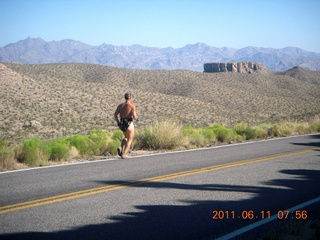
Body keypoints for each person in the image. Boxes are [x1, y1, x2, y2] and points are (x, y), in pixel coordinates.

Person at [114, 93, 139, 159]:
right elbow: (134, 116)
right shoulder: (131, 106)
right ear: (130, 98)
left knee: (126, 137)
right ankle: (124, 154)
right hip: (129, 123)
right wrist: (138, 119)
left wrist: (118, 122)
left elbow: (115, 115)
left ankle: (121, 147)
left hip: (122, 123)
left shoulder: (120, 106)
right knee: (130, 139)